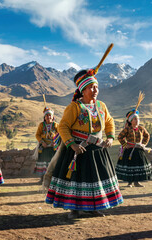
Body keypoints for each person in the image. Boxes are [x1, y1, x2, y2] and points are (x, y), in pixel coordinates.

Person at [45, 68, 123, 219]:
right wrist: (72, 144)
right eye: (91, 87)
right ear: (83, 90)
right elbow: (63, 126)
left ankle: (93, 208)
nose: (95, 90)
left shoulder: (101, 106)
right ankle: (73, 209)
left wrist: (111, 137)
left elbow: (109, 121)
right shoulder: (74, 107)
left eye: (96, 87)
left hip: (98, 150)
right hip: (78, 150)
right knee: (77, 180)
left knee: (95, 179)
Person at [115, 109, 152, 187]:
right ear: (131, 121)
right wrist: (125, 144)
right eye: (135, 119)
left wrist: (143, 144)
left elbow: (147, 136)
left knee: (138, 165)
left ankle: (137, 182)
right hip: (129, 150)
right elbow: (120, 137)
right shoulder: (127, 129)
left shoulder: (141, 128)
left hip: (138, 150)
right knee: (130, 166)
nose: (137, 120)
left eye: (138, 119)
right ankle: (129, 182)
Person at [33, 106, 59, 183]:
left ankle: (52, 179)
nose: (48, 117)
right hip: (44, 147)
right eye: (47, 115)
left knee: (52, 162)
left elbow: (60, 134)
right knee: (43, 162)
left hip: (53, 147)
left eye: (50, 115)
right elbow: (37, 135)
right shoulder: (41, 125)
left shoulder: (56, 125)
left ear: (52, 116)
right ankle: (42, 179)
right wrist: (42, 142)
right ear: (44, 117)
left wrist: (55, 142)